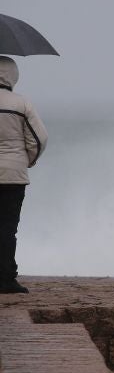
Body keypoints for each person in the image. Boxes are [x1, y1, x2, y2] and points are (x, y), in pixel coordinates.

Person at [0, 56, 47, 294]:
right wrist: (27, 160)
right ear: (13, 76)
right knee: (8, 228)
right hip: (13, 176)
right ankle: (6, 279)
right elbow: (39, 139)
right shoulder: (21, 103)